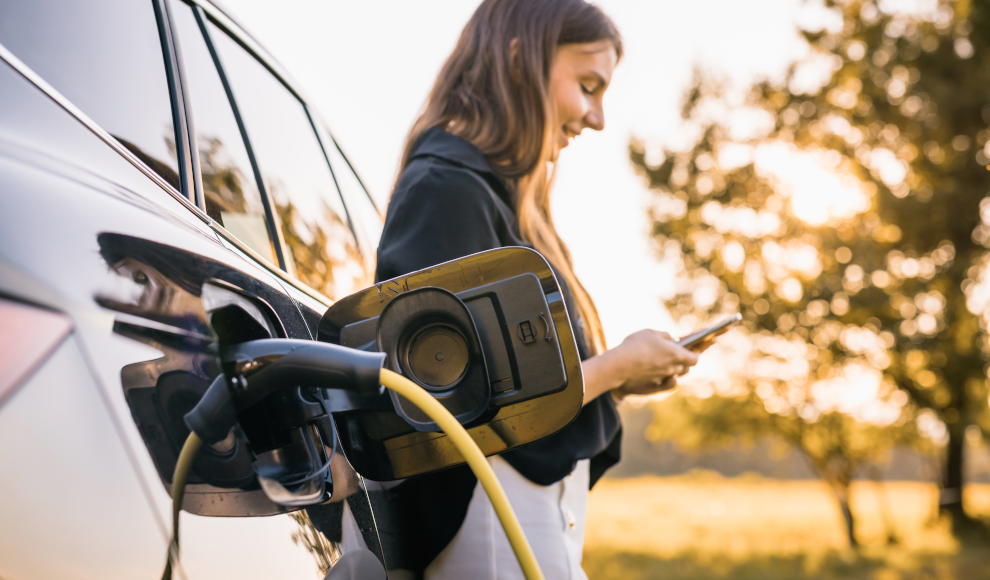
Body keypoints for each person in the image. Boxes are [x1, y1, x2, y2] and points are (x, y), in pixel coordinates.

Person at [375, 1, 704, 578]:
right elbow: (451, 403)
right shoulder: (447, 190)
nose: (597, 117)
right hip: (492, 516)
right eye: (587, 85)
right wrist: (615, 368)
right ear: (520, 59)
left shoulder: (509, 203)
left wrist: (621, 381)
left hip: (528, 512)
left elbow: (518, 373)